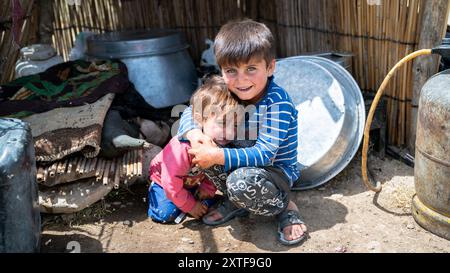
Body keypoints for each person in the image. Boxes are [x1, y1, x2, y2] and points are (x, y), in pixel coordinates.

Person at [177, 19, 308, 245]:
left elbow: (265, 154)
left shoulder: (278, 103)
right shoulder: (227, 91)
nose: (241, 79)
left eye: (251, 69)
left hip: (273, 172)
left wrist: (216, 156)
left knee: (240, 180)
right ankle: (236, 202)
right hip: (240, 165)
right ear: (222, 70)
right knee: (202, 144)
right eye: (231, 71)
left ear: (270, 67)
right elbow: (192, 110)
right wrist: (193, 134)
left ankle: (286, 206)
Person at [148, 76, 243, 223]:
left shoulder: (220, 143)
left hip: (192, 182)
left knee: (204, 198)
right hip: (165, 182)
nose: (229, 132)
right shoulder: (183, 148)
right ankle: (182, 202)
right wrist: (191, 206)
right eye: (222, 123)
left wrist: (207, 187)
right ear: (200, 119)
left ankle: (189, 201)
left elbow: (217, 171)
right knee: (164, 214)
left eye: (235, 126)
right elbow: (170, 181)